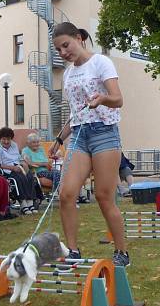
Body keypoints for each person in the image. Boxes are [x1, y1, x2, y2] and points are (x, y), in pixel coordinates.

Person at [49, 22, 130, 267]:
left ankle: (122, 253)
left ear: (79, 38)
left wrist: (102, 98)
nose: (63, 53)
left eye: (66, 45)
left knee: (104, 196)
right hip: (79, 136)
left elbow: (118, 99)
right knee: (66, 194)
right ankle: (73, 251)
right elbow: (74, 113)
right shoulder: (68, 73)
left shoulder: (101, 62)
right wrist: (59, 139)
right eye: (59, 50)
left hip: (104, 133)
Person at [0, 127, 38, 215]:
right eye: (4, 139)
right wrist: (13, 168)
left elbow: (18, 158)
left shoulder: (14, 145)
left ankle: (30, 203)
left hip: (17, 166)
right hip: (5, 170)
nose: (6, 142)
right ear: (0, 138)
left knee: (30, 176)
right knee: (19, 178)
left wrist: (24, 164)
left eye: (8, 139)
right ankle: (23, 205)